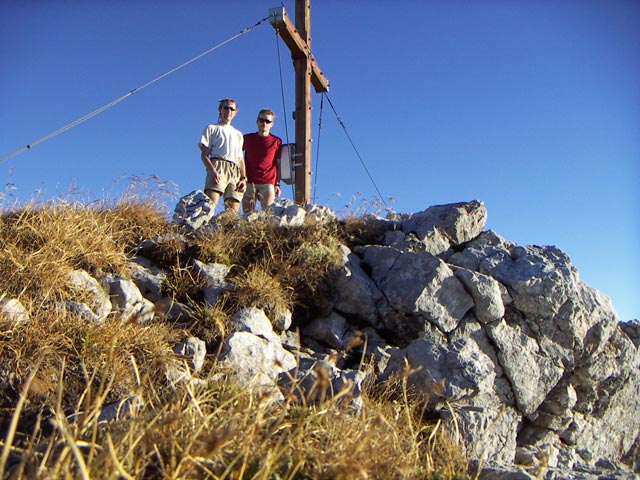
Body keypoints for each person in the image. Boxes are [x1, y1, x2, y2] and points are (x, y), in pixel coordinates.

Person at [198, 98, 247, 214]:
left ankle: (228, 231)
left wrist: (243, 178)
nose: (228, 111)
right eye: (226, 108)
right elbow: (204, 154)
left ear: (235, 112)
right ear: (220, 109)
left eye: (232, 109)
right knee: (210, 205)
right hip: (218, 164)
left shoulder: (238, 134)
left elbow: (240, 159)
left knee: (233, 210)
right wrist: (212, 171)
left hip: (234, 170)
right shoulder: (212, 128)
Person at [242, 109, 282, 213]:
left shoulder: (276, 141)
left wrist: (277, 184)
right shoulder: (247, 138)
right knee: (247, 215)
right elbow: (237, 156)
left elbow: (278, 164)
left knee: (269, 214)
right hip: (249, 181)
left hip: (268, 182)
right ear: (257, 121)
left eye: (267, 121)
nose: (264, 123)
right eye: (261, 120)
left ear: (272, 124)